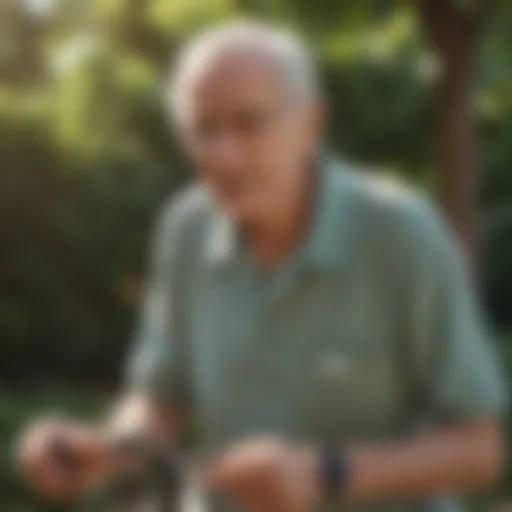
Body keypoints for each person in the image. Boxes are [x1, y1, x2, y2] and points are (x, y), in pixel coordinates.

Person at [18, 20, 506, 512]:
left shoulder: (402, 233)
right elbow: (160, 398)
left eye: (249, 123)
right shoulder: (185, 228)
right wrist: (106, 452)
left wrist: (325, 472)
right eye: (203, 130)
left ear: (312, 122)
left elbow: (479, 451)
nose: (222, 153)